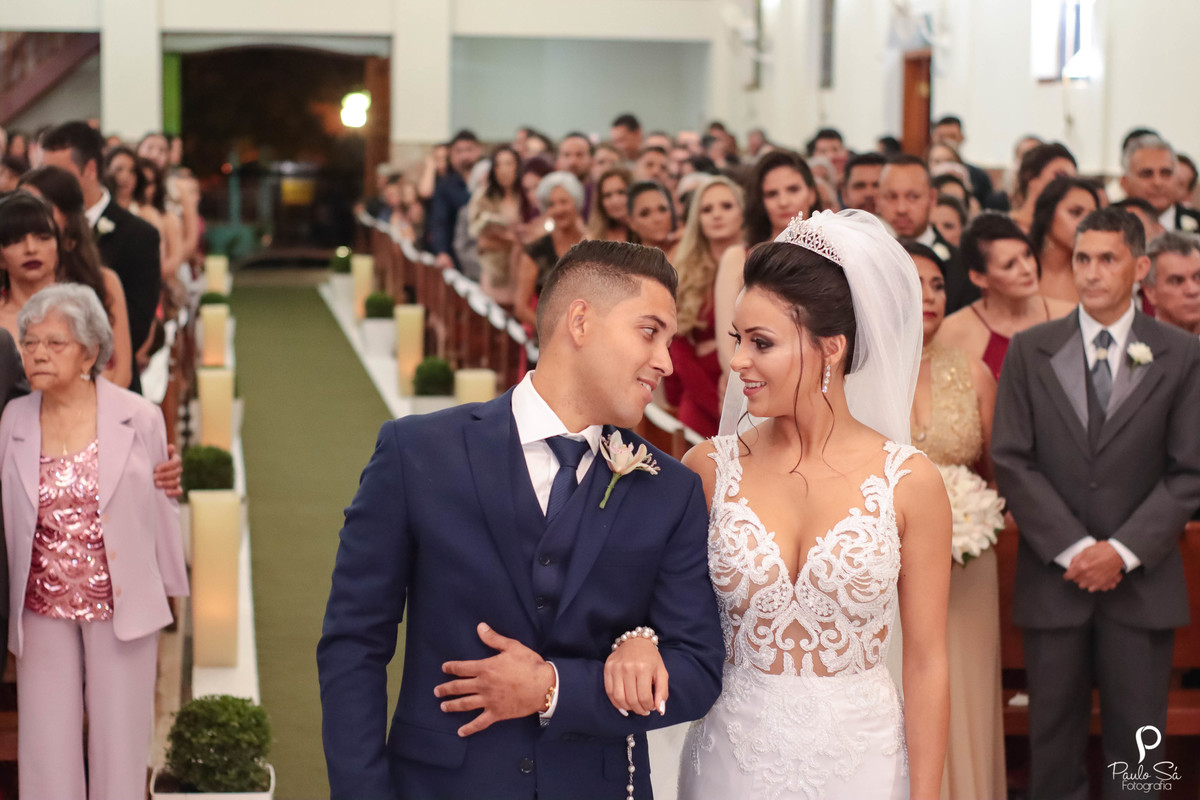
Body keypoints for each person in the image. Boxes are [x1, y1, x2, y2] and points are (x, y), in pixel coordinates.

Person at [318, 239, 725, 800]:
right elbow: (353, 643)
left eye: (669, 341)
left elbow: (697, 670)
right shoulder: (416, 452)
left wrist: (554, 689)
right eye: (649, 332)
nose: (666, 362)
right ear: (580, 321)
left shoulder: (669, 490)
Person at [679, 210, 951, 799]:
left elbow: (928, 661)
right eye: (738, 339)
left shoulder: (910, 482)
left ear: (831, 348)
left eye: (762, 343)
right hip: (732, 759)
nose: (738, 361)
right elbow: (665, 614)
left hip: (865, 764)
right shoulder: (708, 468)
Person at [992, 206, 1200, 800]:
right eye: (1082, 258)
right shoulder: (1031, 350)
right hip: (1055, 579)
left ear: (1140, 268)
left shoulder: (1182, 353)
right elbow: (1012, 458)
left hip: (1141, 582)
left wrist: (1122, 551)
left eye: (1107, 259)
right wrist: (1076, 549)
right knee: (1052, 749)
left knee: (1138, 752)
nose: (1091, 271)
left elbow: (1189, 470)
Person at [0, 283, 188, 800]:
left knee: (119, 746)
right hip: (40, 605)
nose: (38, 353)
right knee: (45, 747)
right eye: (29, 342)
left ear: (89, 353)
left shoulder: (139, 415)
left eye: (54, 343)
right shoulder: (13, 419)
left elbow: (161, 497)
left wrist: (171, 582)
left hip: (120, 606)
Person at [903, 240, 1005, 800]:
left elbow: (996, 472)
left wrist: (975, 516)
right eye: (914, 284)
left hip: (967, 566)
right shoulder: (850, 375)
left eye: (938, 285)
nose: (930, 296)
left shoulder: (974, 372)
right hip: (884, 566)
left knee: (963, 690)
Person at [41, 122, 160, 394]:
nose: (49, 184)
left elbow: (137, 325)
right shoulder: (35, 235)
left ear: (90, 169)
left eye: (58, 173)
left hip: (111, 382)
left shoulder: (139, 235)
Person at [714, 150, 819, 373]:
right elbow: (727, 347)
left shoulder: (832, 256)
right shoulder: (738, 258)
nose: (783, 201)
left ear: (811, 194)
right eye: (772, 194)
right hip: (751, 378)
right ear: (761, 202)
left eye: (793, 189)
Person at [937, 213, 1074, 381]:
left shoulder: (1069, 316)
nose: (1027, 269)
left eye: (1027, 255)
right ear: (979, 278)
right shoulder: (952, 334)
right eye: (1009, 265)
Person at [662, 176, 744, 437]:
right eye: (707, 209)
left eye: (726, 206)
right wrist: (716, 403)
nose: (716, 215)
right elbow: (678, 348)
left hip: (748, 392)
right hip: (699, 395)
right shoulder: (683, 270)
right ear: (697, 219)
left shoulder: (758, 263)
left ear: (743, 211)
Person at [879, 155, 975, 314]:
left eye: (913, 197)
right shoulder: (859, 261)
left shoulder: (963, 267)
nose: (901, 208)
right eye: (891, 197)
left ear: (932, 198)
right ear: (877, 199)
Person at [513, 172, 587, 328]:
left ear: (577, 202)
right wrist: (552, 331)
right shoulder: (535, 250)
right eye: (551, 204)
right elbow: (521, 307)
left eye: (564, 202)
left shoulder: (592, 244)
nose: (558, 209)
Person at [469, 145, 530, 306]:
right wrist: (510, 238)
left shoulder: (524, 195)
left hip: (521, 269)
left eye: (508, 163)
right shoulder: (485, 196)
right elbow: (480, 238)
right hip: (494, 270)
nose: (503, 169)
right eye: (498, 165)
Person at [1029, 175, 1101, 305]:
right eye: (1075, 212)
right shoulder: (1020, 268)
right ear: (1047, 215)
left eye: (1092, 217)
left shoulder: (1097, 274)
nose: (1086, 223)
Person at [1120, 133, 1200, 233]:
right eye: (1146, 174)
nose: (1157, 182)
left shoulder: (1197, 224)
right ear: (1125, 183)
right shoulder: (1107, 222)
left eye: (1166, 173)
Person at [430, 129, 482, 271]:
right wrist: (442, 252)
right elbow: (439, 221)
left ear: (478, 150)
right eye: (459, 151)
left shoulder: (489, 180)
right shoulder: (445, 185)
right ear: (451, 154)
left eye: (469, 150)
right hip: (456, 256)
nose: (465, 156)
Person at [930, 115, 997, 209]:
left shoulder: (979, 177)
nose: (947, 141)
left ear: (961, 138)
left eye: (952, 136)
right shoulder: (924, 176)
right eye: (942, 137)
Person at [1009, 142, 1077, 233]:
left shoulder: (1065, 234)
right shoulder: (1002, 229)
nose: (1068, 186)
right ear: (1031, 177)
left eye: (1072, 180)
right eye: (1060, 176)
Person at [1144, 231, 1200, 336]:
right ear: (1151, 292)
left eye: (1198, 277)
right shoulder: (1131, 342)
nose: (1193, 290)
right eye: (1177, 281)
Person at [625, 181, 676, 253]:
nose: (657, 219)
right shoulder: (625, 259)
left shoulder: (688, 249)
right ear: (631, 222)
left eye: (662, 209)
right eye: (645, 214)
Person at [586, 166, 632, 243]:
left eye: (621, 192)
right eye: (607, 195)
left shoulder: (646, 233)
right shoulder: (592, 239)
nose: (615, 201)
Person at [556, 133, 595, 216]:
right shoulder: (550, 195)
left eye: (579, 155)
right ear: (558, 161)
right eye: (566, 155)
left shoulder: (599, 194)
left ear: (591, 160)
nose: (572, 162)